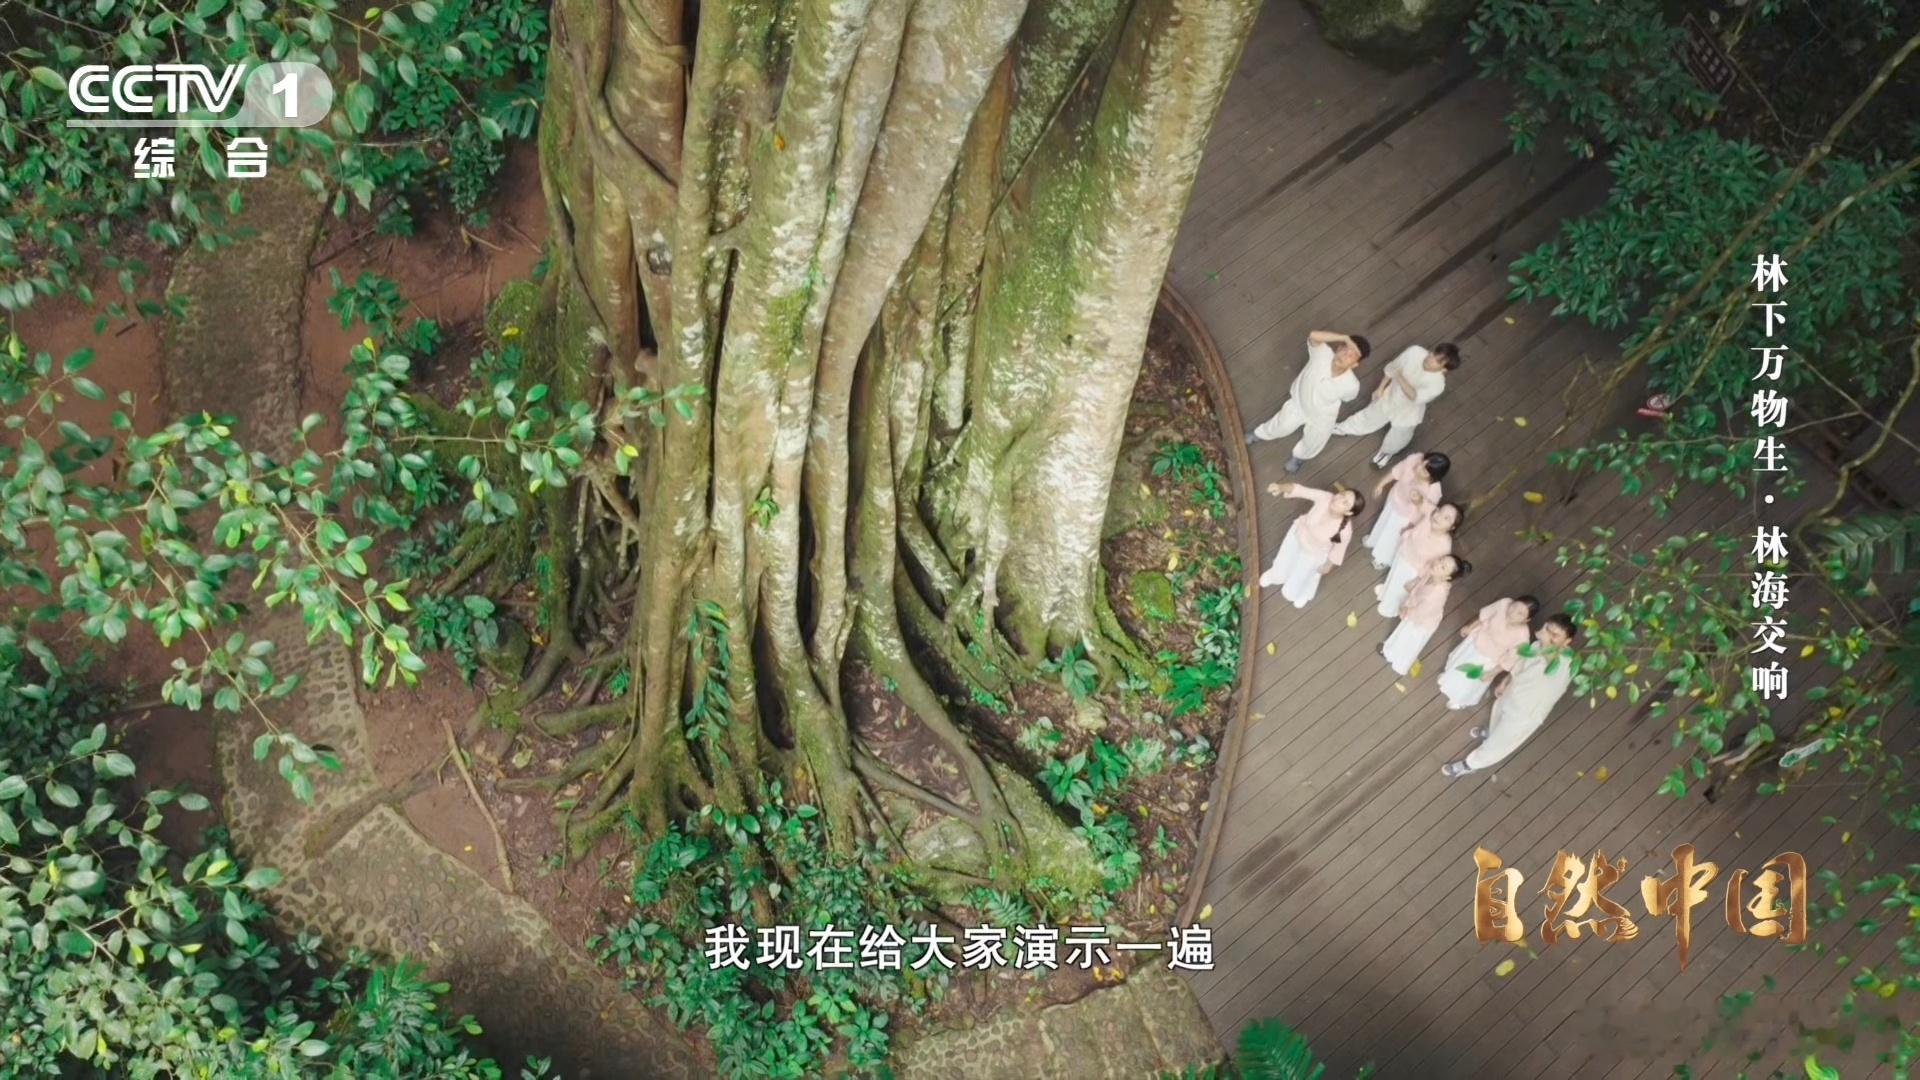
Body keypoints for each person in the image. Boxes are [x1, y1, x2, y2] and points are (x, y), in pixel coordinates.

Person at [1443, 613, 1578, 776]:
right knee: (1497, 715)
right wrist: (1505, 681)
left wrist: (1546, 639)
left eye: (1555, 635)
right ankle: (1491, 733)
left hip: (1527, 713)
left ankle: (1469, 765)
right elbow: (1521, 664)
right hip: (1513, 694)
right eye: (1548, 629)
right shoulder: (1537, 646)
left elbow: (1550, 661)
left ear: (1567, 642)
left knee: (1497, 746)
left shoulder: (1567, 662)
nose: (1549, 635)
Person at [1248, 330, 1370, 474]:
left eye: (1351, 356)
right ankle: (1259, 434)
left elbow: (1347, 397)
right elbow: (1313, 336)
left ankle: (1298, 458)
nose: (1344, 356)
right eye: (1344, 349)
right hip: (1298, 404)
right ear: (1338, 348)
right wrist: (1344, 337)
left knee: (1312, 443)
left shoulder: (1352, 385)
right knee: (1280, 425)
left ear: (1355, 364)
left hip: (1322, 418)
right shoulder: (1322, 354)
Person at [1332, 342, 1460, 468]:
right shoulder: (1415, 351)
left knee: (1399, 436)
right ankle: (1345, 428)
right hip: (1392, 395)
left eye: (1437, 361)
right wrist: (1380, 388)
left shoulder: (1438, 385)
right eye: (1433, 353)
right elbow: (1393, 367)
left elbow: (1414, 397)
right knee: (1369, 415)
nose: (1429, 358)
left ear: (1444, 369)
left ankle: (1387, 452)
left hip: (1409, 411)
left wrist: (1399, 376)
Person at [1259, 482, 1366, 609]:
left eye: (1345, 503)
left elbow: (1338, 550)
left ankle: (1304, 593)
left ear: (1348, 513)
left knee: (1302, 577)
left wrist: (1328, 565)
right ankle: (1275, 575)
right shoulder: (1325, 497)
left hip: (1314, 552)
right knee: (1283, 558)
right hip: (1299, 534)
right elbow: (1300, 489)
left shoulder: (1345, 531)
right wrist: (1280, 487)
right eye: (1342, 494)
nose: (1338, 499)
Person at [1436, 594, 1538, 710]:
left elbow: (1510, 659)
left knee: (1469, 681)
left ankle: (1459, 699)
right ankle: (1447, 679)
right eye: (1514, 606)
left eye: (1520, 614)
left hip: (1488, 659)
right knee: (1458, 662)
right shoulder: (1504, 603)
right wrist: (1470, 626)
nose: (1513, 612)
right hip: (1476, 641)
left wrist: (1492, 673)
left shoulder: (1522, 636)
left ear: (1526, 620)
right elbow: (1485, 615)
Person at [1381, 555, 1470, 676]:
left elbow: (1423, 611)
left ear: (1447, 577)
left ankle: (1399, 663)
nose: (1437, 564)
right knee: (1404, 634)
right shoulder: (1434, 574)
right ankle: (1391, 652)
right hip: (1417, 611)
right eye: (1441, 560)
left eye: (1443, 567)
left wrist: (1407, 610)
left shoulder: (1437, 593)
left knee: (1409, 640)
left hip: (1423, 621)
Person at [1375, 501, 1462, 618]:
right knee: (1393, 577)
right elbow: (1425, 505)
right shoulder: (1431, 516)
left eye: (1446, 518)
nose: (1439, 516)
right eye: (1440, 511)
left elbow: (1435, 566)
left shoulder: (1444, 546)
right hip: (1405, 552)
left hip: (1413, 569)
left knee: (1400, 588)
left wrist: (1418, 579)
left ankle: (1389, 609)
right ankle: (1385, 593)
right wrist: (1418, 499)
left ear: (1452, 527)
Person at [1365, 451, 1448, 570]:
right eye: (1422, 462)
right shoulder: (1414, 459)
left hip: (1406, 516)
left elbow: (1427, 512)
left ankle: (1383, 559)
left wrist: (1417, 507)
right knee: (1384, 521)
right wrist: (1381, 484)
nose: (1418, 468)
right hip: (1394, 499)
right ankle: (1374, 539)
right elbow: (1396, 471)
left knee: (1393, 536)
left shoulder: (1433, 491)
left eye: (1424, 470)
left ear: (1432, 477)